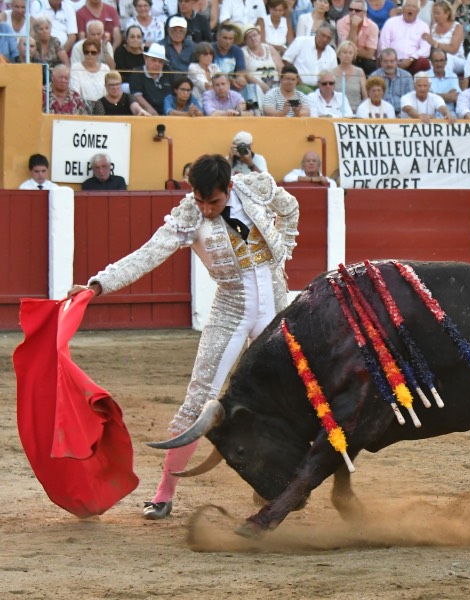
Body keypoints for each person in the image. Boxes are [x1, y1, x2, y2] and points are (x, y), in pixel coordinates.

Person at [67, 154, 299, 520]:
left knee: (280, 399)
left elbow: (290, 207)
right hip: (231, 311)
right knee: (198, 400)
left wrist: (282, 251)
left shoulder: (256, 186)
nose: (206, 210)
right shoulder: (188, 215)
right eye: (201, 200)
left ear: (230, 188)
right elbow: (147, 255)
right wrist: (98, 285)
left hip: (275, 306)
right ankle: (164, 493)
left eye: (215, 202)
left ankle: (269, 481)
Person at [379, 0, 431, 74]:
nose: (410, 9)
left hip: (413, 62)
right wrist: (392, 60)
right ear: (403, 8)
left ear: (418, 11)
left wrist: (411, 59)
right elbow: (383, 45)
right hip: (392, 61)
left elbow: (425, 49)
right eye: (408, 6)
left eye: (414, 7)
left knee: (424, 62)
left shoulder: (423, 26)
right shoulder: (391, 22)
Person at [283, 23, 338, 90]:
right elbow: (286, 61)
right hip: (297, 85)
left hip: (320, 89)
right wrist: (295, 77)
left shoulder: (332, 53)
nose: (325, 39)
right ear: (317, 32)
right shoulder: (301, 41)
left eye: (328, 38)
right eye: (323, 35)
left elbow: (332, 74)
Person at [336, 0, 378, 74]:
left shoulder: (373, 26)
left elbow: (370, 54)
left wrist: (353, 51)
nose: (353, 13)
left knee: (371, 65)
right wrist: (354, 26)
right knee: (342, 59)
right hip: (346, 57)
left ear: (364, 13)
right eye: (351, 10)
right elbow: (347, 47)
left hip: (364, 60)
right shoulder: (341, 23)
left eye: (357, 11)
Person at [130, 43, 173, 116]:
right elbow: (137, 95)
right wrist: (149, 109)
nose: (157, 64)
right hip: (147, 113)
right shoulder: (137, 73)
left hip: (167, 111)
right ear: (146, 58)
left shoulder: (167, 70)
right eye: (154, 60)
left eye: (160, 61)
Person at [370, 47, 414, 112]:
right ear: (381, 62)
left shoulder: (407, 76)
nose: (389, 64)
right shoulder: (374, 77)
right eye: (386, 61)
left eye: (392, 61)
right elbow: (370, 99)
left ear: (396, 61)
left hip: (402, 114)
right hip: (381, 114)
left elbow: (411, 99)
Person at [425, 47, 462, 115]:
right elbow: (425, 98)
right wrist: (448, 95)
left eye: (442, 60)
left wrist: (433, 96)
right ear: (431, 62)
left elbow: (456, 97)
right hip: (430, 115)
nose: (439, 64)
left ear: (446, 62)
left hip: (450, 116)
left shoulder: (452, 76)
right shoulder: (425, 76)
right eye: (436, 61)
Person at [333, 41, 367, 112]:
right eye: (344, 52)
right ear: (338, 54)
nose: (347, 55)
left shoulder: (359, 72)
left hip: (356, 111)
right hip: (336, 111)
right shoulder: (331, 72)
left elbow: (365, 96)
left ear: (354, 55)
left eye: (350, 53)